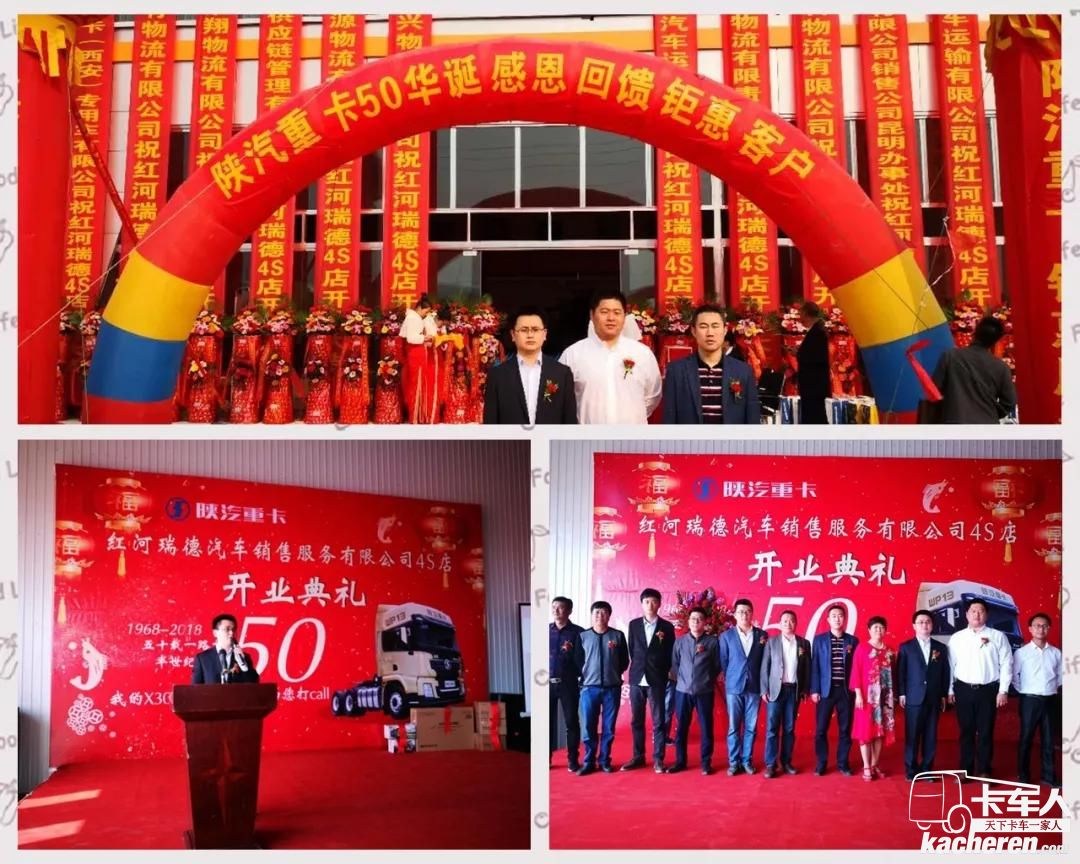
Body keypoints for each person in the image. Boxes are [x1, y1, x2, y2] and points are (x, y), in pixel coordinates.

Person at [559, 288, 661, 424]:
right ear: (592, 315)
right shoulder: (573, 354)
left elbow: (652, 396)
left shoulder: (642, 354)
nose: (611, 318)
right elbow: (561, 399)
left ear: (624, 316)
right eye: (604, 312)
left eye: (617, 312)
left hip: (633, 435)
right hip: (589, 435)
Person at [661, 304, 761, 424]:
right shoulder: (676, 371)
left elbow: (752, 420)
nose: (710, 333)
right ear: (693, 331)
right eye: (703, 327)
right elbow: (669, 419)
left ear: (725, 330)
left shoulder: (743, 371)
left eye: (715, 326)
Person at [947, 599, 1013, 777]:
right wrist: (950, 690)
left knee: (985, 731)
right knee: (966, 731)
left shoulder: (997, 636)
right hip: (963, 689)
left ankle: (984, 770)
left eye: (981, 611)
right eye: (973, 611)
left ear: (986, 614)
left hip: (988, 690)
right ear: (967, 614)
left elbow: (1007, 663)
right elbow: (950, 665)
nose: (977, 614)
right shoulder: (957, 637)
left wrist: (1003, 690)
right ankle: (965, 770)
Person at [484, 307, 577, 425]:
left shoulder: (562, 374)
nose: (530, 335)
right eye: (524, 330)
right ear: (513, 335)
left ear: (544, 334)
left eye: (535, 329)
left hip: (549, 437)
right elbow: (490, 423)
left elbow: (569, 422)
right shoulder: (497, 375)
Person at [621, 588, 676, 773]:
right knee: (636, 721)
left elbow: (670, 653)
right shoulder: (633, 625)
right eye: (647, 602)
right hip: (637, 678)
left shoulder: (667, 627)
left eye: (654, 602)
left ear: (659, 604)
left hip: (657, 679)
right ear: (642, 604)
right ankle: (638, 756)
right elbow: (632, 649)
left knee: (659, 721)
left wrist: (664, 672)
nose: (650, 605)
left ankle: (658, 759)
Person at [572, 601, 629, 775]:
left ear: (609, 615)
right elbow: (577, 660)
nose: (600, 616)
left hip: (612, 688)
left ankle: (604, 760)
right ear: (592, 615)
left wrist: (613, 674)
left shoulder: (617, 636)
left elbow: (624, 661)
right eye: (597, 612)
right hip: (589, 689)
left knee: (609, 728)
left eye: (604, 612)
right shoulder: (583, 636)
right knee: (588, 727)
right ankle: (588, 761)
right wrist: (587, 675)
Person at [930, 316, 1017, 424]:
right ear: (995, 341)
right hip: (987, 425)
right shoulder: (1001, 367)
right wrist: (991, 414)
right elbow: (1009, 402)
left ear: (974, 332)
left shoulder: (950, 356)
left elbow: (934, 390)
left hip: (955, 422)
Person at [896, 609, 950, 781]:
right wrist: (902, 693)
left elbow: (945, 672)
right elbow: (900, 672)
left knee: (930, 735)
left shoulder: (941, 648)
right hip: (913, 697)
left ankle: (927, 769)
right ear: (914, 626)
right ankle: (911, 770)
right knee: (912, 735)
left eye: (927, 622)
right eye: (921, 622)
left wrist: (943, 694)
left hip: (933, 697)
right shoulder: (906, 647)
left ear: (932, 625)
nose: (924, 625)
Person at [668, 608, 721, 774]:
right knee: (682, 727)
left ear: (704, 622)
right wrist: (683, 680)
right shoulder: (680, 642)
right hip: (682, 691)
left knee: (706, 727)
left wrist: (706, 679)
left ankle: (706, 763)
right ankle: (680, 761)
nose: (695, 622)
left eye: (699, 619)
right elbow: (675, 664)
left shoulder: (712, 642)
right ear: (688, 621)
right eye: (692, 618)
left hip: (704, 691)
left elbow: (717, 665)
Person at [717, 598, 767, 775]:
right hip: (734, 686)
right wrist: (732, 677)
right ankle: (733, 762)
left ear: (752, 613)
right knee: (733, 727)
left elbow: (764, 662)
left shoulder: (762, 635)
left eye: (747, 611)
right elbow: (724, 661)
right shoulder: (726, 636)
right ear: (735, 614)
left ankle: (747, 761)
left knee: (751, 727)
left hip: (754, 686)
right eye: (740, 612)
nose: (744, 615)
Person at [760, 609, 811, 778]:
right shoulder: (771, 642)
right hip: (775, 690)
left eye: (791, 620)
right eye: (785, 621)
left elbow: (807, 669)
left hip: (793, 691)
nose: (788, 623)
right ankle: (770, 764)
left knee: (789, 728)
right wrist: (764, 689)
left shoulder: (804, 644)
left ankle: (787, 762)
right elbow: (765, 667)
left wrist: (805, 689)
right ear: (780, 624)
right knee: (772, 728)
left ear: (796, 623)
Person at [1012, 612, 1062, 786]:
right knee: (1026, 738)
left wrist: (1051, 689)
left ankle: (1048, 777)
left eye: (1045, 626)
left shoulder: (1056, 653)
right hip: (1029, 701)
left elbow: (1060, 676)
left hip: (1050, 700)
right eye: (1037, 626)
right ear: (1030, 629)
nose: (1041, 629)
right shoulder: (1021, 653)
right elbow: (1014, 676)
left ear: (1049, 629)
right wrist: (1025, 691)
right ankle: (1023, 775)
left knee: (1049, 740)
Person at [810, 603, 858, 776]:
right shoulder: (819, 640)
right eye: (834, 616)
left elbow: (856, 668)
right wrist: (814, 690)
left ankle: (843, 763)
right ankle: (821, 763)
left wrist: (856, 690)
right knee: (821, 729)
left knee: (845, 730)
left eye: (840, 616)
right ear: (828, 619)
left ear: (844, 619)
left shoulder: (852, 641)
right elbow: (815, 665)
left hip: (845, 691)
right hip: (825, 691)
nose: (837, 619)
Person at [850, 616, 897, 781]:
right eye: (875, 627)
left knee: (879, 732)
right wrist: (858, 694)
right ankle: (866, 766)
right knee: (865, 731)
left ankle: (875, 764)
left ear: (885, 630)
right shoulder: (862, 648)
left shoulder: (890, 651)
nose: (878, 630)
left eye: (881, 627)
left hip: (885, 699)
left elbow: (894, 675)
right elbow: (855, 671)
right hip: (866, 698)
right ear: (869, 630)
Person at [549, 596, 584, 772]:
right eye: (553, 607)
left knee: (571, 721)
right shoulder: (545, 630)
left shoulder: (578, 632)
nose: (556, 610)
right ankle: (545, 758)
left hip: (568, 683)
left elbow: (582, 660)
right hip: (546, 684)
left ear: (569, 611)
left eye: (560, 607)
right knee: (546, 723)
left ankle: (572, 760)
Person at [400, 295, 438, 423]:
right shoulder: (413, 318)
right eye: (426, 311)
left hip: (418, 353)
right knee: (416, 384)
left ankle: (418, 415)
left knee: (418, 383)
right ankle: (416, 416)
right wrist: (425, 338)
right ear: (420, 308)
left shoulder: (415, 318)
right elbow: (411, 338)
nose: (426, 314)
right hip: (416, 354)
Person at [192, 613, 259, 684]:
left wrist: (243, 664)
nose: (231, 633)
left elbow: (254, 684)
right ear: (215, 633)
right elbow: (196, 688)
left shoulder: (244, 657)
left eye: (234, 629)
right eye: (227, 629)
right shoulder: (202, 659)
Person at [795, 301, 830, 424]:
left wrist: (799, 354)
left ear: (806, 313)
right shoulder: (815, 330)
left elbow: (818, 357)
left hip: (814, 385)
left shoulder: (818, 332)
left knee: (816, 418)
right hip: (812, 385)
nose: (800, 318)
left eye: (800, 314)